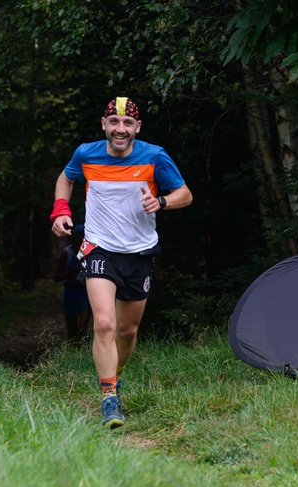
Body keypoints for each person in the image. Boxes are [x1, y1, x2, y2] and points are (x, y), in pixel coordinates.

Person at [50, 96, 193, 428]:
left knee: (127, 331)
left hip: (140, 252)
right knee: (104, 323)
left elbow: (185, 194)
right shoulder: (86, 154)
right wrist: (60, 211)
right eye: (114, 122)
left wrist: (161, 201)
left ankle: (115, 376)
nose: (120, 129)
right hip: (99, 248)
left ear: (137, 127)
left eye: (127, 123)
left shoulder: (154, 156)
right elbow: (65, 179)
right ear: (104, 124)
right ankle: (109, 398)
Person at [53, 224, 92, 340]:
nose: (81, 238)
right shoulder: (67, 253)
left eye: (84, 235)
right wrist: (72, 272)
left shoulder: (90, 253)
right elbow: (56, 277)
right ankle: (73, 348)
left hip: (85, 293)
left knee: (82, 329)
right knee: (72, 330)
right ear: (73, 237)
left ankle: (82, 348)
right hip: (70, 293)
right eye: (79, 235)